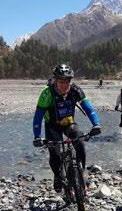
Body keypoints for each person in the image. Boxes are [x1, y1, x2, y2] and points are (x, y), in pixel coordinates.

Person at [32, 63, 101, 193]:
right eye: (61, 81)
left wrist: (96, 124)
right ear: (55, 80)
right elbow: (38, 117)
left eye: (67, 81)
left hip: (69, 123)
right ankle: (57, 176)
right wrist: (37, 136)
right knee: (55, 153)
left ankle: (80, 174)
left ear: (71, 80)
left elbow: (88, 108)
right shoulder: (47, 94)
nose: (64, 84)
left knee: (79, 142)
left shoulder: (75, 90)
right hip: (52, 126)